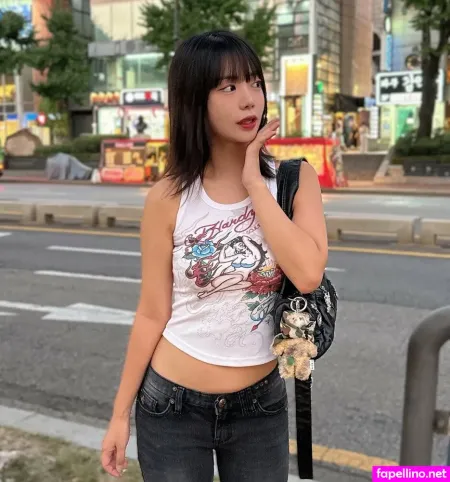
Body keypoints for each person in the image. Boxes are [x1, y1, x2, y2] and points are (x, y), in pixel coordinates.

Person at [101, 30, 328, 482]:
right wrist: (120, 414)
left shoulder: (294, 180)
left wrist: (253, 183)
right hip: (172, 405)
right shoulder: (168, 197)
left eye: (255, 82)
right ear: (194, 99)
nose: (249, 99)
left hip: (260, 406)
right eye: (228, 87)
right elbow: (152, 312)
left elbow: (307, 274)